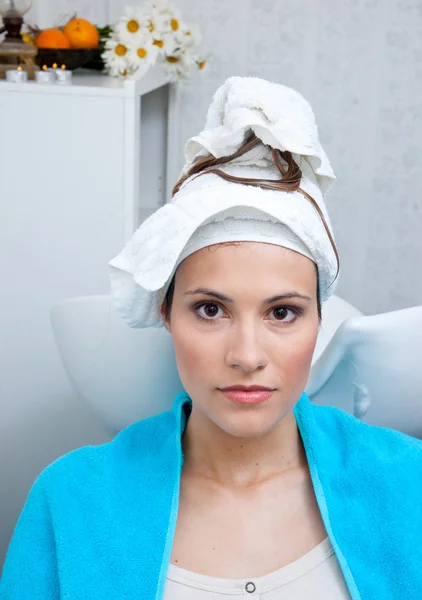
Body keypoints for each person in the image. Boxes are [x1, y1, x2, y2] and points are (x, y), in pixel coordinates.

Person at [1, 76, 422, 600]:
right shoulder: (69, 502)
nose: (247, 356)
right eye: (210, 309)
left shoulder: (409, 486)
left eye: (283, 313)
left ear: (319, 320)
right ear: (166, 314)